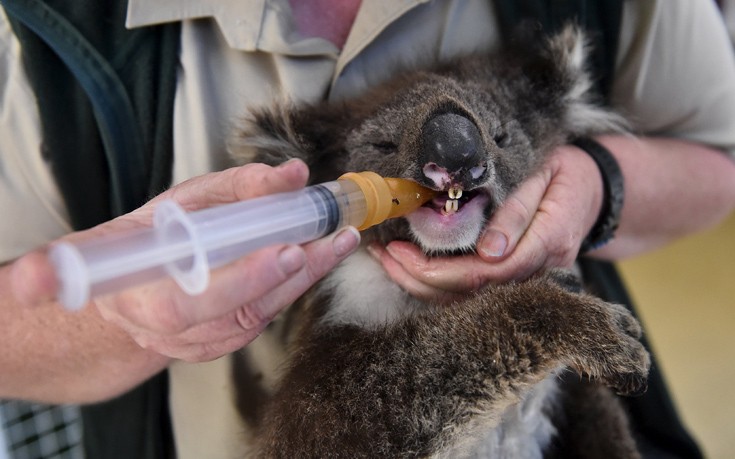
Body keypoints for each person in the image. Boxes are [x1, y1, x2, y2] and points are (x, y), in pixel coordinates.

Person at [1, 0, 734, 458]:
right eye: (386, 153)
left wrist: (597, 183)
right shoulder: (48, 24)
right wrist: (117, 315)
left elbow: (717, 162)